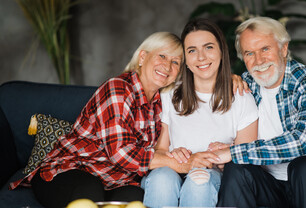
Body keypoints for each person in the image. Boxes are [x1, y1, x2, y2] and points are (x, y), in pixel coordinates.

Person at [10, 32, 183, 208]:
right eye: (162, 55)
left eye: (175, 61)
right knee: (89, 192)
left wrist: (179, 154)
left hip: (115, 182)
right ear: (142, 57)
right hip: (68, 171)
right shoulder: (119, 88)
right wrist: (179, 163)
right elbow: (120, 153)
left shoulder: (162, 103)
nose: (167, 66)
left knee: (136, 198)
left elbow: (159, 150)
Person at [213, 16, 306, 208]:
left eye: (265, 49)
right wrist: (218, 150)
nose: (258, 60)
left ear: (283, 49)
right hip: (274, 184)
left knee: (303, 166)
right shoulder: (246, 84)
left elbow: (302, 143)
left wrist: (233, 152)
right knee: (236, 169)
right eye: (249, 53)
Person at [141, 18, 259, 208]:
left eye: (209, 47)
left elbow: (248, 160)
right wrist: (173, 154)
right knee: (161, 180)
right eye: (192, 50)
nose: (201, 57)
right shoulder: (169, 94)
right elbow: (160, 150)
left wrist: (223, 158)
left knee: (199, 180)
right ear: (185, 61)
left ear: (221, 51)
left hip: (213, 174)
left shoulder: (241, 96)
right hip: (172, 169)